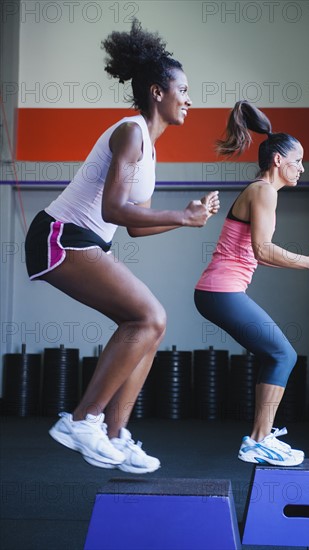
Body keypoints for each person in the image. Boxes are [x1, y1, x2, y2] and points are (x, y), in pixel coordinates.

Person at [24, 20, 219, 474]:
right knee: (150, 316)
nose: (189, 98)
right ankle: (82, 421)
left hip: (89, 240)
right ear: (157, 91)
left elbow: (136, 226)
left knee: (149, 329)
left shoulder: (149, 150)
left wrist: (189, 220)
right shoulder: (131, 132)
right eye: (183, 89)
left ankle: (114, 433)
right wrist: (180, 216)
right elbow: (113, 209)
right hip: (60, 236)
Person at [194, 100, 309, 466]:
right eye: (298, 160)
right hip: (219, 291)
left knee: (276, 354)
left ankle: (261, 437)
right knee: (282, 354)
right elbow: (263, 250)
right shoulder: (264, 191)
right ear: (277, 161)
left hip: (221, 291)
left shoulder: (262, 191)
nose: (302, 168)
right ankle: (258, 440)